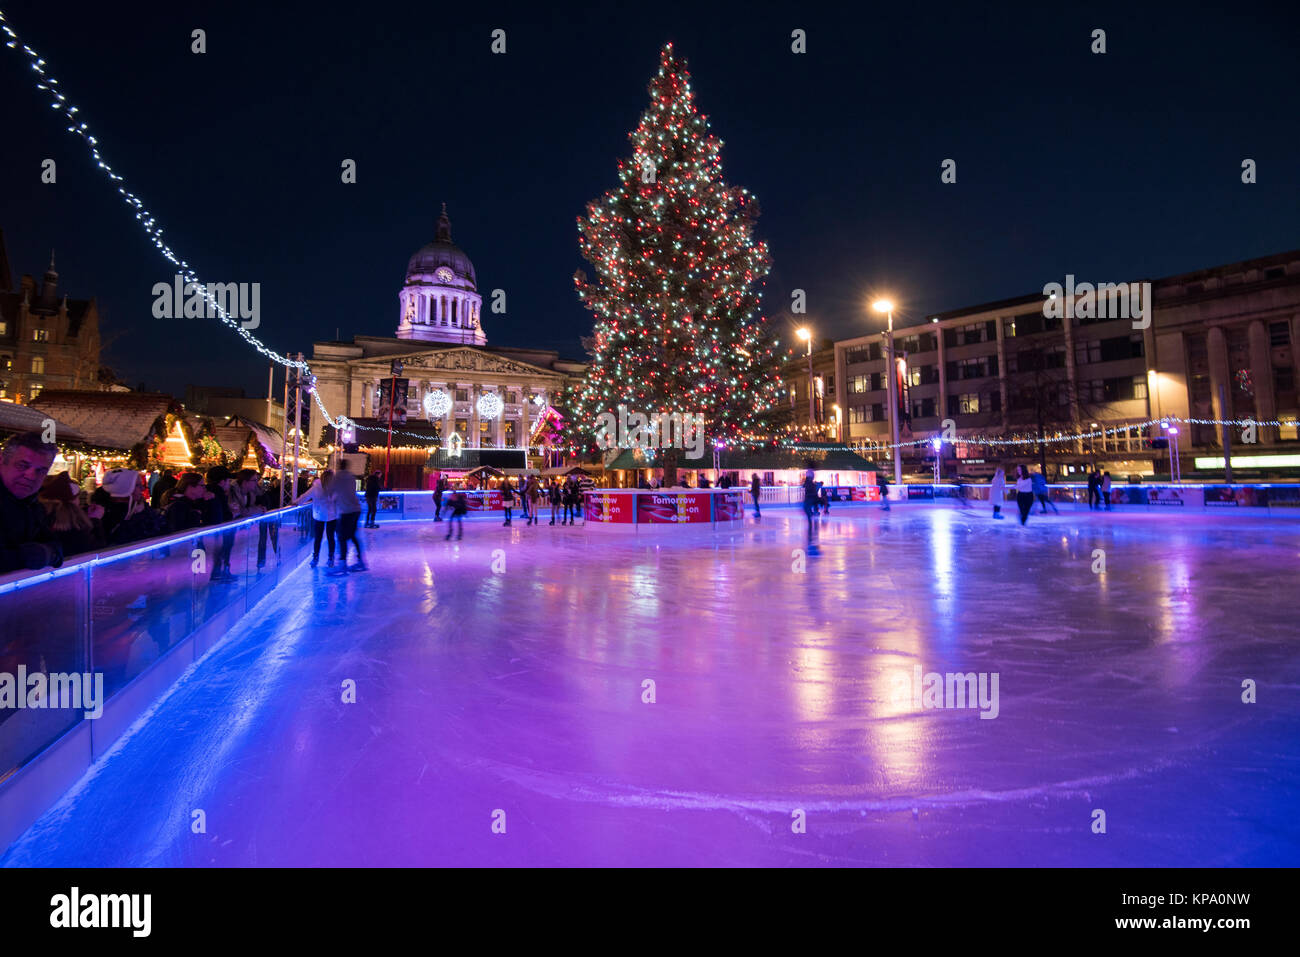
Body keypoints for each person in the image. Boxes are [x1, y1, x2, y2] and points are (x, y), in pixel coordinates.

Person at [39, 471, 104, 558]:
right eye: (77, 497)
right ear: (72, 501)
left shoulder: (37, 519)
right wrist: (95, 520)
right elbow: (97, 549)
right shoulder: (75, 527)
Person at [327, 460, 366, 573]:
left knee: (342, 537)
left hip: (346, 511)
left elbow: (329, 491)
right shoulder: (351, 477)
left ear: (339, 466)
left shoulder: (337, 477)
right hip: (356, 509)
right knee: (353, 535)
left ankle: (343, 563)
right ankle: (361, 561)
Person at [297, 469, 337, 567]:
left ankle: (316, 558)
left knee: (319, 538)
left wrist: (296, 502)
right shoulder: (333, 488)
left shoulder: (317, 487)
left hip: (320, 515)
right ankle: (330, 558)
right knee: (330, 537)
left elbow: (304, 497)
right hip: (331, 515)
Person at [801, 467, 820, 551]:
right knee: (807, 511)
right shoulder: (810, 483)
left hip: (809, 500)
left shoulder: (810, 483)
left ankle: (810, 538)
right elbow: (806, 487)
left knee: (807, 511)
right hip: (809, 500)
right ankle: (811, 520)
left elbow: (807, 488)